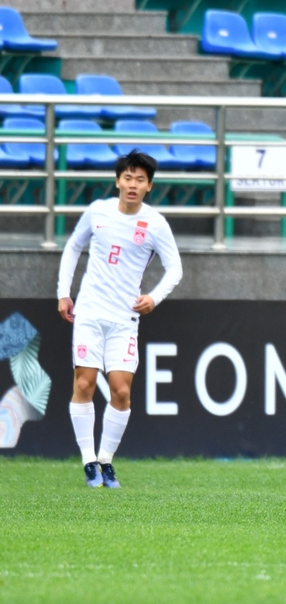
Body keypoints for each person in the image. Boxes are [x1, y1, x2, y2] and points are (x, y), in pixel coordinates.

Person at [57, 149, 182, 489]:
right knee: (83, 384)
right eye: (127, 177)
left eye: (139, 179)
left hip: (124, 318)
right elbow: (73, 247)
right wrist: (63, 293)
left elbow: (175, 269)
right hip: (90, 311)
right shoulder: (98, 212)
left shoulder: (155, 223)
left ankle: (106, 460)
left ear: (149, 187)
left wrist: (153, 297)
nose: (132, 184)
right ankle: (88, 463)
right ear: (117, 180)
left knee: (121, 391)